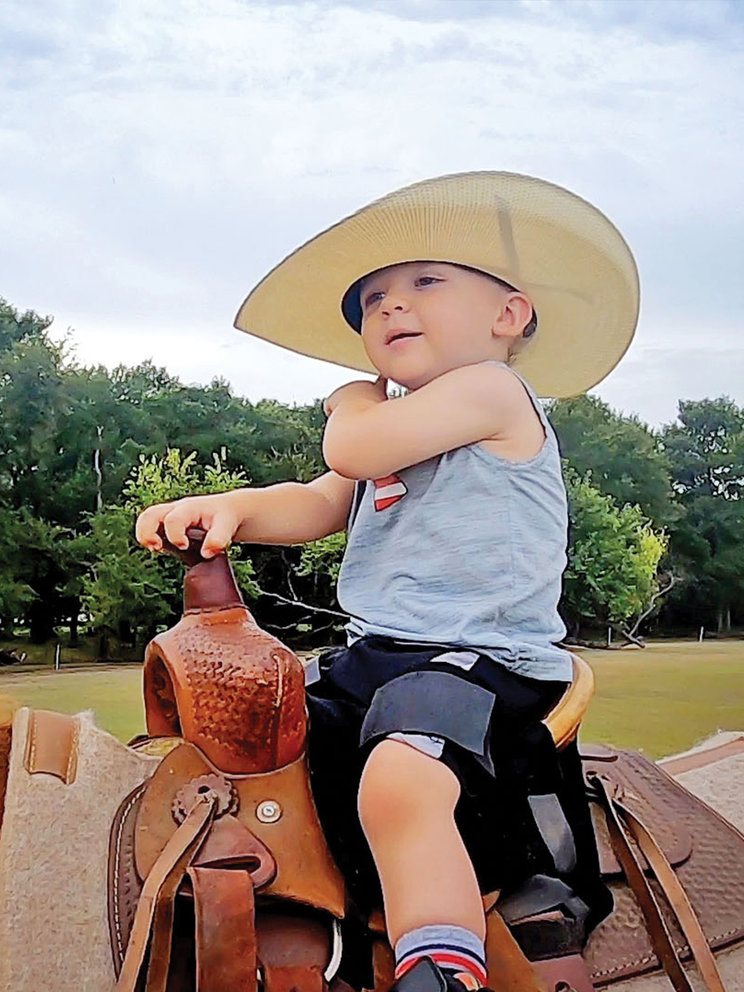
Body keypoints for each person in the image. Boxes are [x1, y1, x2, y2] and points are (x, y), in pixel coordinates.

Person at [136, 173, 639, 992]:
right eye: (372, 300)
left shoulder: (490, 391)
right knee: (256, 741)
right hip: (377, 656)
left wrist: (346, 401)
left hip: (483, 659)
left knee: (405, 775)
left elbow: (351, 454)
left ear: (508, 317)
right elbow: (314, 501)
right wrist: (227, 506)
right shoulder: (392, 430)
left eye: (425, 282)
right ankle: (308, 923)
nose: (391, 306)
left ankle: (440, 963)